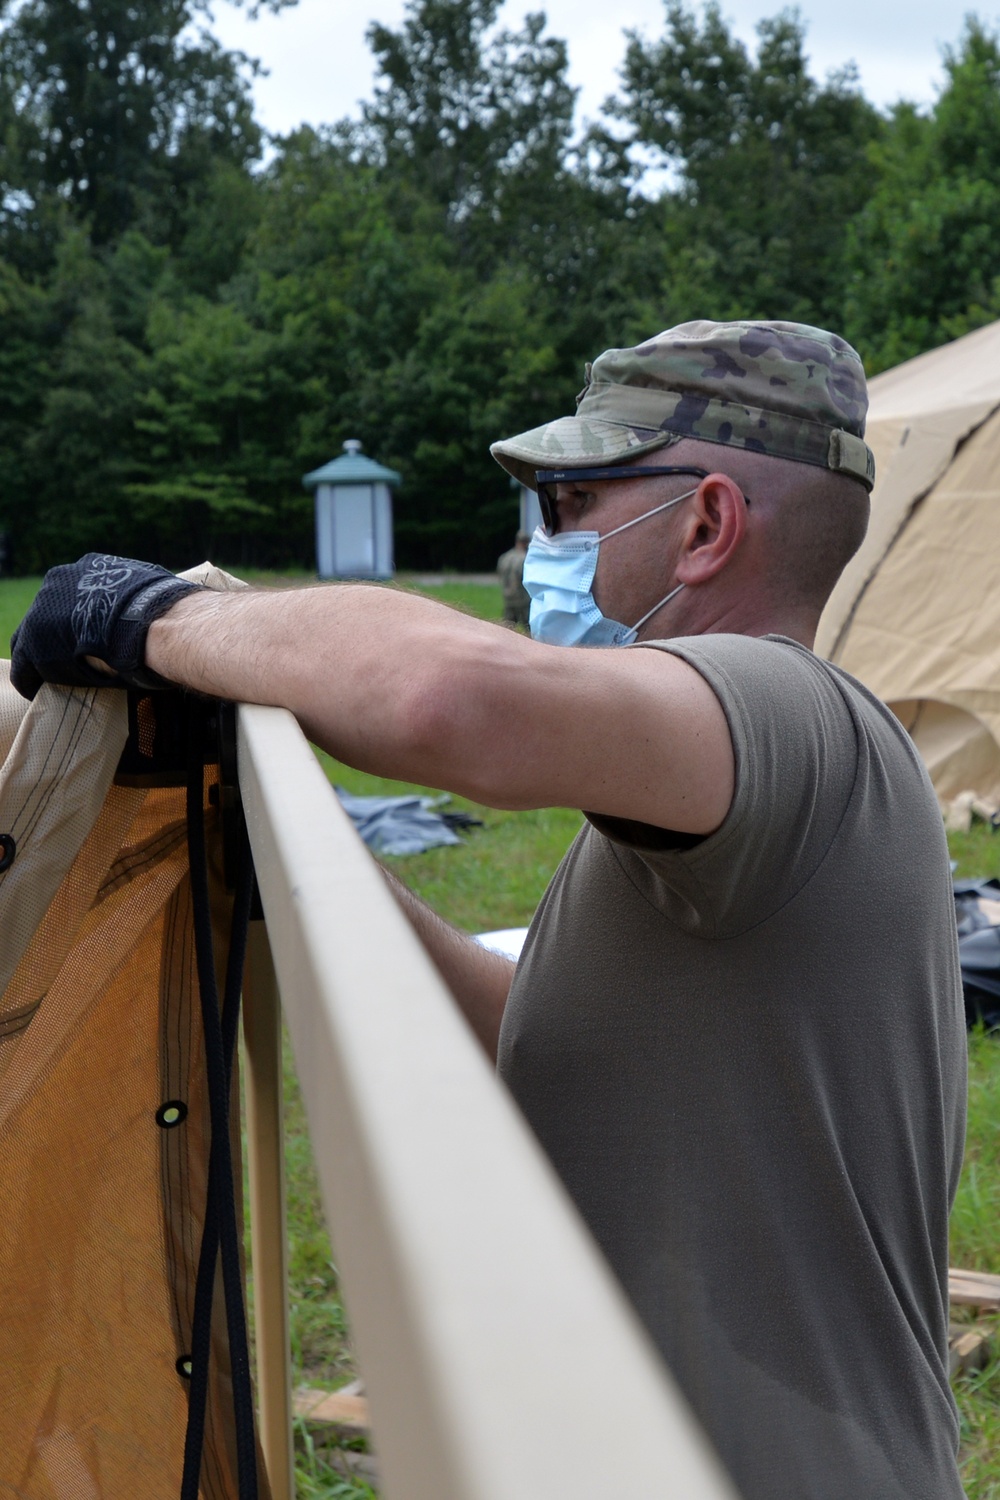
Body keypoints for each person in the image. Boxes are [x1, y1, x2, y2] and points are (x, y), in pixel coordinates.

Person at [10, 320, 967, 1500]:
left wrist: (160, 618)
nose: (545, 542)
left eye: (572, 502)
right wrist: (311, 874)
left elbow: (445, 698)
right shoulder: (720, 794)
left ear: (708, 524)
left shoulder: (783, 706)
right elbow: (558, 1050)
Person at [496, 528, 531, 628]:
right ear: (526, 543)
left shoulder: (505, 557)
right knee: (530, 633)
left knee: (507, 631)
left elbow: (499, 575)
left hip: (508, 599)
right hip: (523, 600)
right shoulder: (525, 559)